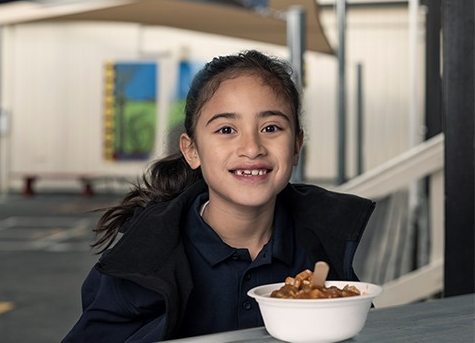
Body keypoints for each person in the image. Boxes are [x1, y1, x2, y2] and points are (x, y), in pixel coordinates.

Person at [63, 50, 375, 342]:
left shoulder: (322, 249)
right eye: (226, 130)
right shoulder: (145, 259)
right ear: (192, 150)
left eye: (271, 128)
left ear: (295, 147)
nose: (252, 148)